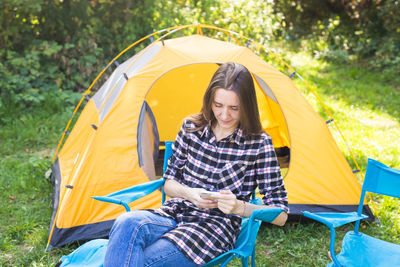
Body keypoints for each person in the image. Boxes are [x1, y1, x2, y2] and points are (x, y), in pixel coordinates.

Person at [103, 62, 289, 267]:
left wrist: (238, 206)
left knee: (142, 261)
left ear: (247, 106)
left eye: (234, 108)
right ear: (209, 100)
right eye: (218, 105)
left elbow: (280, 215)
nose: (225, 115)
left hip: (211, 229)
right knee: (126, 223)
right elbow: (168, 184)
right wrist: (189, 194)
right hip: (174, 213)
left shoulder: (258, 144)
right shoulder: (192, 127)